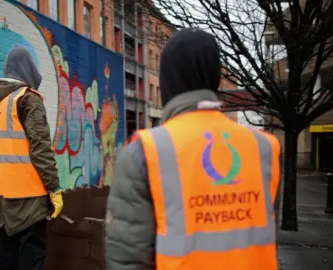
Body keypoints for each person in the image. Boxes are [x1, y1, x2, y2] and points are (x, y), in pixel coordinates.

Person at [105, 29, 281, 270]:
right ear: (215, 77)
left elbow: (127, 259)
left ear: (168, 80)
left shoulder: (145, 152)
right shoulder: (265, 149)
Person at [0, 45, 63, 270]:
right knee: (31, 259)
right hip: (29, 198)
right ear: (27, 69)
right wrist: (54, 189)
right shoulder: (27, 99)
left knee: (6, 259)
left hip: (2, 198)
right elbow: (41, 149)